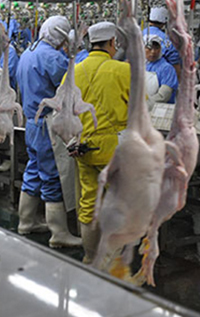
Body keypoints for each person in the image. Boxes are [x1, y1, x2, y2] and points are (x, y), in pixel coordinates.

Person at [16, 15, 81, 248]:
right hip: (47, 125)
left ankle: (26, 222)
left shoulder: (27, 53)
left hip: (31, 124)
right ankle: (58, 232)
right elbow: (69, 85)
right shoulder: (52, 57)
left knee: (33, 170)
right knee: (52, 175)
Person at [71, 21, 130, 263]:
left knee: (88, 203)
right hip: (114, 150)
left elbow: (64, 108)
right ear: (112, 42)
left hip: (83, 147)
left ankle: (89, 258)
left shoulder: (74, 71)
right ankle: (110, 264)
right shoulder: (122, 70)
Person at [145, 6, 181, 77]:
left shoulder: (139, 35)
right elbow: (175, 65)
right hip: (161, 77)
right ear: (164, 23)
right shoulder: (167, 40)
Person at [144, 34, 178, 108]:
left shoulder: (167, 69)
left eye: (156, 48)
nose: (153, 52)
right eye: (149, 48)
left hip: (160, 110)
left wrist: (143, 106)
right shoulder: (141, 65)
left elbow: (163, 96)